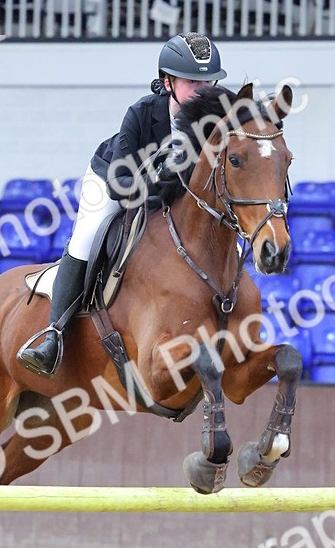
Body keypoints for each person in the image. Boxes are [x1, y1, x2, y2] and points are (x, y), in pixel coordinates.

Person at [17, 32, 227, 378]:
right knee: (88, 236)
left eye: (209, 82)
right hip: (112, 183)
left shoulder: (217, 116)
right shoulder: (143, 114)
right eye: (193, 82)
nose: (203, 91)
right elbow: (119, 184)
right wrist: (157, 183)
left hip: (168, 196)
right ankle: (53, 335)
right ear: (168, 82)